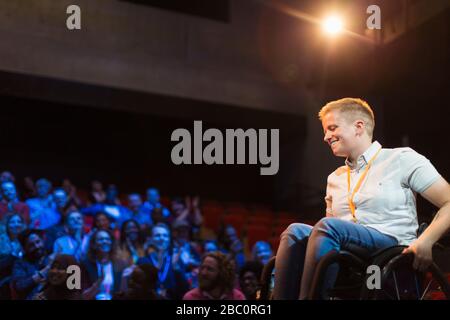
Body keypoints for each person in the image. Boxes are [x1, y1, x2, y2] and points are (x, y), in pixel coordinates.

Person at [273, 98, 450, 299]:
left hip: (391, 244)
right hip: (351, 251)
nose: (326, 137)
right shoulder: (334, 178)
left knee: (328, 227)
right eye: (325, 131)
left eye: (331, 128)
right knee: (295, 231)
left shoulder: (401, 158)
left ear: (359, 127)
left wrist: (426, 241)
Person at [137, 223, 189, 299]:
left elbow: (184, 290)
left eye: (165, 236)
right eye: (157, 235)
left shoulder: (176, 260)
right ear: (150, 239)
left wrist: (176, 269)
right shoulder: (143, 262)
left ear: (169, 239)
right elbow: (140, 289)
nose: (162, 238)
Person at [81, 229, 126, 300]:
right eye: (101, 239)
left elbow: (122, 293)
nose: (105, 241)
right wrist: (99, 281)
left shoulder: (119, 264)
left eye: (107, 239)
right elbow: (83, 296)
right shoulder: (85, 265)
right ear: (94, 244)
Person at [11, 230, 54, 299]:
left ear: (42, 241)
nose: (37, 246)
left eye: (38, 242)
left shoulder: (51, 257)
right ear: (24, 248)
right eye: (31, 245)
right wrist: (44, 272)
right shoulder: (20, 264)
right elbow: (19, 286)